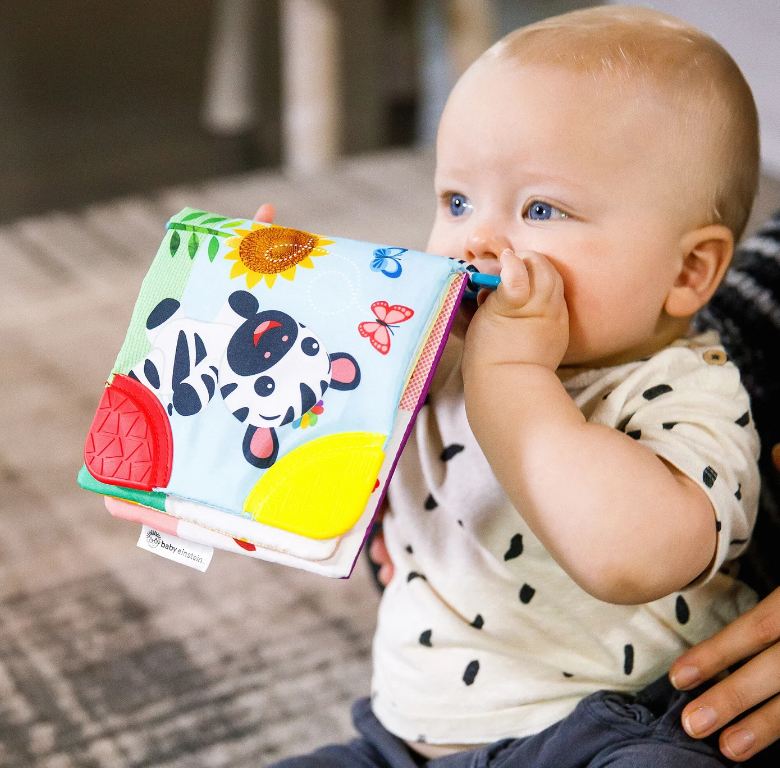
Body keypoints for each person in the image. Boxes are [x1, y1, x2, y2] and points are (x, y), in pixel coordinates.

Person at [263, 7, 769, 766]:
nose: (477, 239)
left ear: (689, 271)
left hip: (610, 732)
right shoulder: (431, 353)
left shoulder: (688, 393)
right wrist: (275, 328)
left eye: (540, 209)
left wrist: (512, 377)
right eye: (456, 201)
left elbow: (629, 558)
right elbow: (300, 463)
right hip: (400, 741)